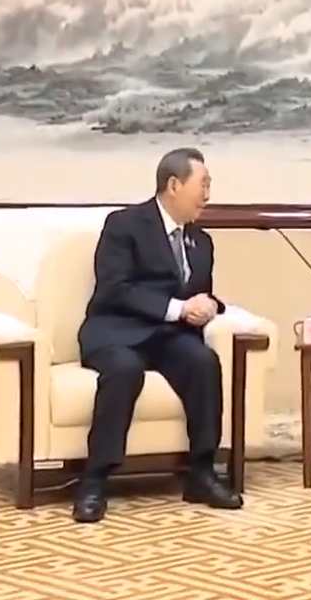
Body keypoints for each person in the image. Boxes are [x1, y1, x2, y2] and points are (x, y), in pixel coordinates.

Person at [71, 147, 240, 523]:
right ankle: (94, 480)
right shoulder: (124, 225)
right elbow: (116, 289)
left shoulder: (201, 241)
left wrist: (211, 306)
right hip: (116, 330)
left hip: (167, 337)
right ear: (174, 185)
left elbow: (200, 293)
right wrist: (179, 309)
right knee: (124, 370)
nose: (208, 195)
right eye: (203, 185)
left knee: (203, 362)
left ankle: (201, 473)